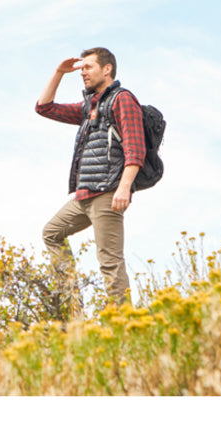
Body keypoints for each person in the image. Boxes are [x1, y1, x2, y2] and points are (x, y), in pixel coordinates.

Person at [35, 47, 146, 307]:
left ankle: (124, 324)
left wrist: (124, 188)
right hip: (84, 195)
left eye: (88, 67)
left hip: (107, 194)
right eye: (81, 68)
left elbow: (135, 148)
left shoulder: (122, 99)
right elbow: (44, 108)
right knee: (51, 232)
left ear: (106, 69)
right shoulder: (90, 107)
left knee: (110, 262)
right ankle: (73, 306)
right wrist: (59, 73)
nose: (82, 72)